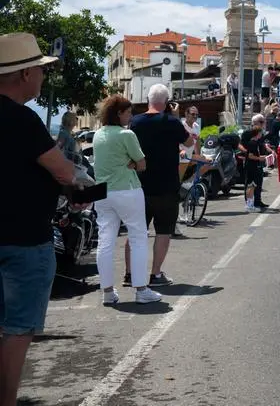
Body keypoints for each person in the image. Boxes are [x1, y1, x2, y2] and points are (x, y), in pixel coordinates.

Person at [0, 34, 87, 406]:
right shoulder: (23, 119)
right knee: (17, 329)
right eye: (38, 69)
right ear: (23, 74)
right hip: (23, 239)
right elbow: (65, 172)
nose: (42, 77)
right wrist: (74, 184)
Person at [91, 96, 162, 306]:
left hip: (102, 192)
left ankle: (107, 292)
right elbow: (142, 164)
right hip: (126, 189)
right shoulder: (126, 134)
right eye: (128, 112)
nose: (131, 116)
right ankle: (141, 290)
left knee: (105, 240)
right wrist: (131, 163)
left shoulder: (98, 134)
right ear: (118, 114)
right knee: (138, 236)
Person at [126, 84, 192, 287]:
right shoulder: (171, 122)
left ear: (148, 99)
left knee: (135, 231)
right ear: (166, 102)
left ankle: (130, 274)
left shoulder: (135, 122)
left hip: (140, 184)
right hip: (166, 185)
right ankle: (155, 274)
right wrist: (176, 115)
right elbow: (189, 142)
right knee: (163, 230)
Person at [239, 114, 268, 212]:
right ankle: (249, 204)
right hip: (252, 162)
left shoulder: (258, 136)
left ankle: (257, 202)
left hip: (257, 162)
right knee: (251, 184)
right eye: (262, 122)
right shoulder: (248, 135)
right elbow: (244, 148)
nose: (264, 124)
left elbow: (262, 145)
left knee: (257, 183)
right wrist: (257, 157)